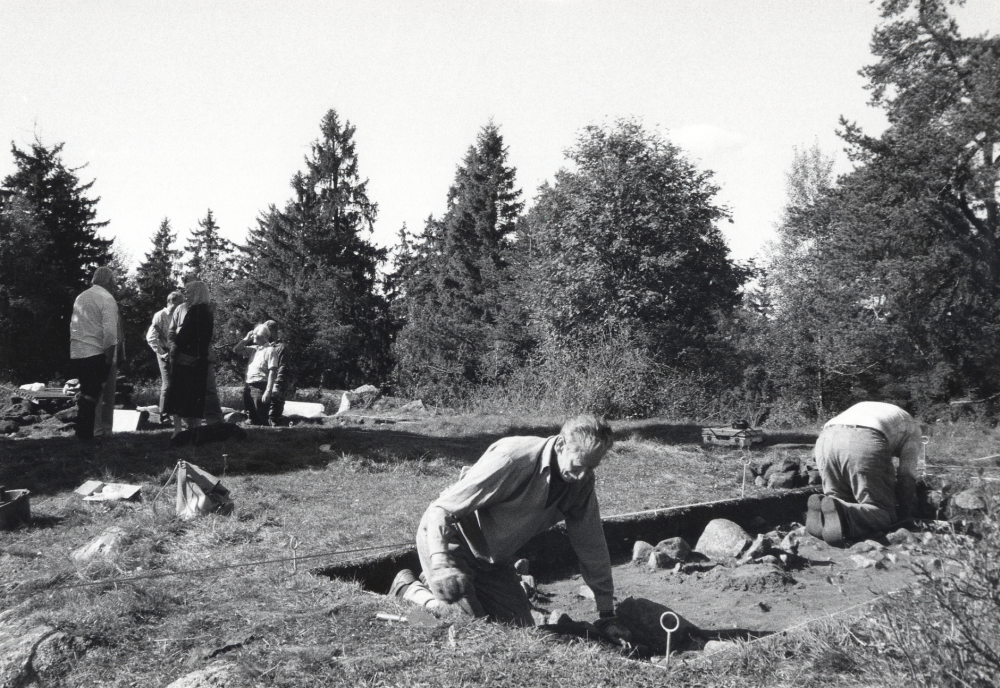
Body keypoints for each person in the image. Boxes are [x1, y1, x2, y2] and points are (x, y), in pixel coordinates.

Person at [390, 415, 630, 640]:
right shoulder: (512, 458)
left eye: (591, 468)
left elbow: (591, 542)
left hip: (491, 560)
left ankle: (439, 587)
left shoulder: (582, 482)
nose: (582, 476)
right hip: (452, 542)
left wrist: (606, 613)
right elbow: (442, 510)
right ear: (560, 445)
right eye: (578, 466)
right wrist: (441, 562)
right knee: (472, 631)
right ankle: (412, 591)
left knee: (520, 633)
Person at [808, 401, 922, 546]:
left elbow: (814, 457)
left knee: (837, 498)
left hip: (826, 438)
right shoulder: (914, 430)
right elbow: (906, 476)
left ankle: (827, 512)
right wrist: (904, 514)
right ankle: (844, 514)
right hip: (865, 438)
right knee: (883, 511)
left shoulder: (879, 410)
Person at [69, 266, 121, 441]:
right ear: (108, 281)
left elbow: (75, 325)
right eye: (113, 282)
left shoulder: (81, 297)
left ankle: (85, 432)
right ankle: (86, 435)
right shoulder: (107, 299)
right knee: (93, 396)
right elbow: (111, 334)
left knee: (86, 393)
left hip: (78, 351)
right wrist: (108, 358)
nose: (114, 285)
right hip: (96, 351)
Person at [163, 281, 213, 438]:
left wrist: (175, 345)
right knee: (196, 397)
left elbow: (184, 335)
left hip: (186, 358)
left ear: (197, 293)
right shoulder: (207, 312)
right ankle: (195, 431)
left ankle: (178, 431)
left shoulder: (195, 311)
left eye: (189, 292)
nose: (186, 296)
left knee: (177, 395)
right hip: (200, 359)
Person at [234, 320, 283, 426]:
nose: (253, 336)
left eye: (255, 335)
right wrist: (246, 339)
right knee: (251, 418)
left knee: (261, 418)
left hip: (260, 386)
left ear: (262, 337)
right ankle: (253, 440)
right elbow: (236, 349)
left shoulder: (270, 350)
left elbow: (272, 372)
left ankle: (264, 440)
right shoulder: (254, 349)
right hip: (249, 386)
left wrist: (268, 391)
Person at [146, 290, 185, 414]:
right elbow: (151, 337)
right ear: (171, 302)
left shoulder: (181, 315)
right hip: (165, 352)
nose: (182, 305)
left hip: (178, 353)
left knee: (179, 384)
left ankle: (178, 412)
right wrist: (162, 353)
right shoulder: (160, 315)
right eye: (179, 302)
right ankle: (164, 413)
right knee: (167, 384)